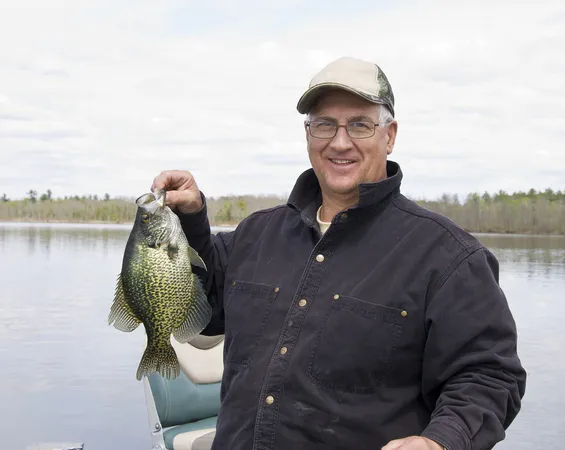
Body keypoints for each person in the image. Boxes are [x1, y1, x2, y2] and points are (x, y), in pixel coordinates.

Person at [152, 56, 527, 450]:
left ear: (390, 134)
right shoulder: (255, 234)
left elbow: (488, 378)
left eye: (360, 124)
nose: (340, 141)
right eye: (324, 124)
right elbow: (199, 309)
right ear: (308, 133)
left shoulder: (450, 258)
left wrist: (440, 441)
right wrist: (191, 220)